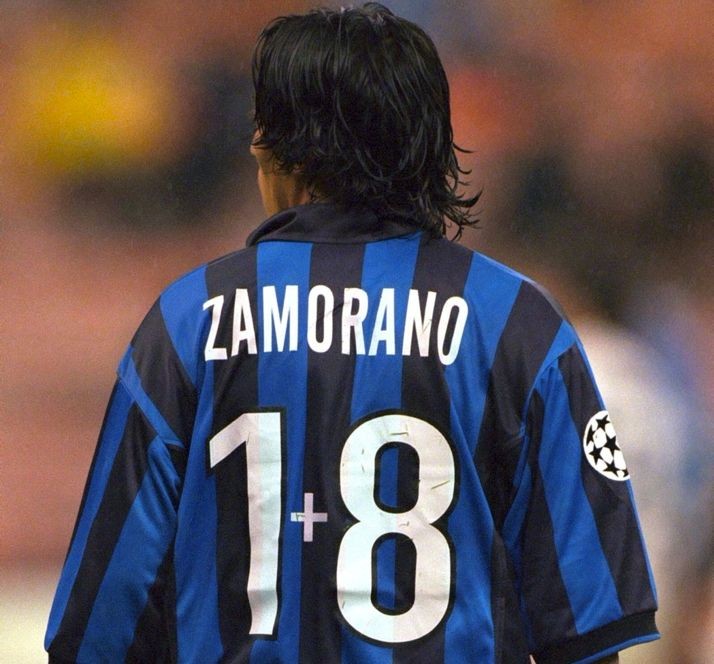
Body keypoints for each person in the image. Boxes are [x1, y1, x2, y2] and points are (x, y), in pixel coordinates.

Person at [45, 4, 658, 663]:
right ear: (431, 149)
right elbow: (591, 630)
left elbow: (100, 627)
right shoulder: (516, 322)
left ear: (276, 152)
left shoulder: (187, 320)